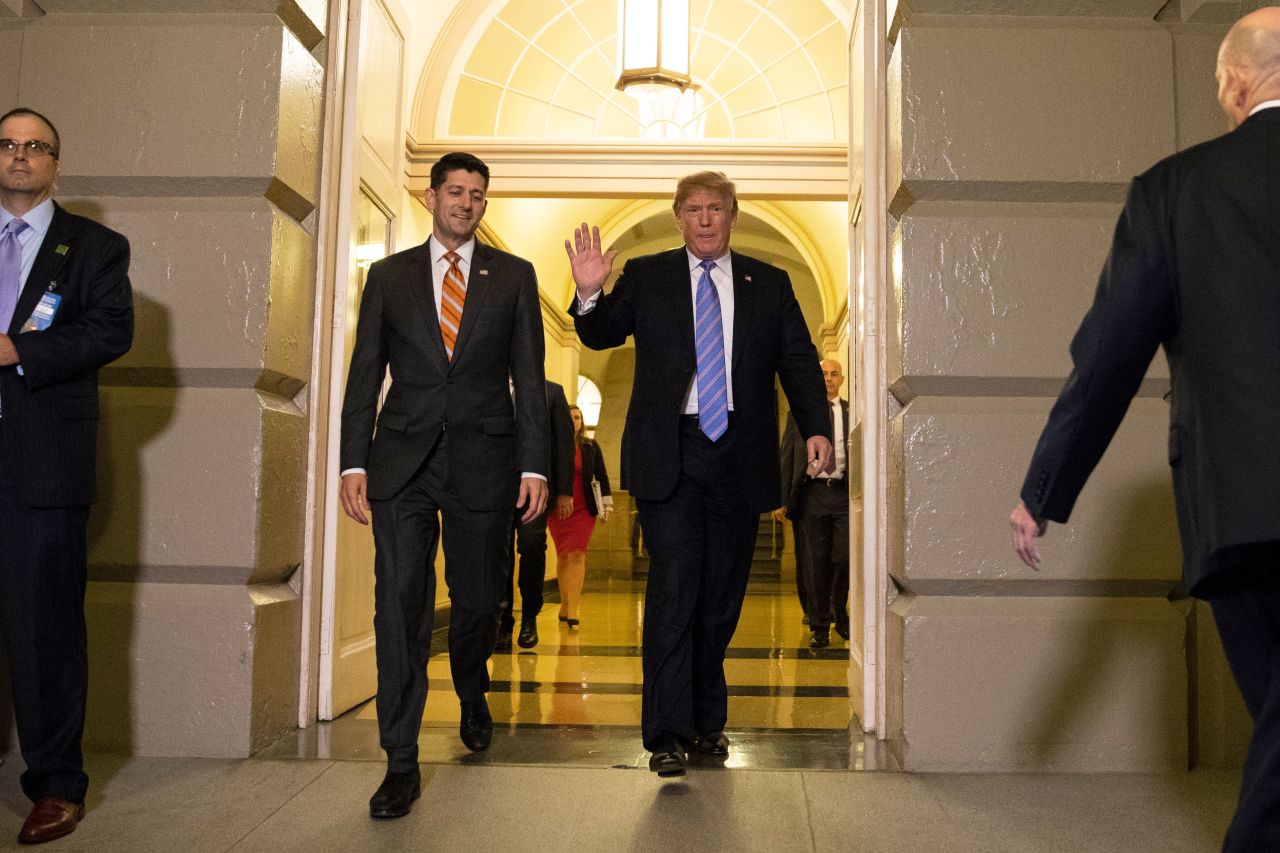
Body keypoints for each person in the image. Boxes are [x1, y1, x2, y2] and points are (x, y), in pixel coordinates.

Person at [1008, 8, 1280, 849]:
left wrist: (1043, 489)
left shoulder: (1176, 189)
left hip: (1242, 511)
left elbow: (1109, 359)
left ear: (1235, 86)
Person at [565, 171, 832, 777]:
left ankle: (707, 720)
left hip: (740, 450)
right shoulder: (649, 276)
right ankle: (666, 731)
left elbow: (797, 359)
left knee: (720, 597)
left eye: (715, 208)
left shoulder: (769, 282)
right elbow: (602, 332)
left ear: (733, 214)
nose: (705, 219)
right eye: (692, 209)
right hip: (672, 451)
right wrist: (589, 295)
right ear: (678, 217)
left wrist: (817, 426)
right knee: (675, 588)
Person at [339, 152, 548, 819]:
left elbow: (530, 375)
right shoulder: (389, 276)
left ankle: (472, 686)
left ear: (485, 205)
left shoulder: (513, 276)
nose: (465, 202)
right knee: (399, 605)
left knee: (479, 600)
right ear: (432, 197)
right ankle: (400, 760)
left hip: (484, 464)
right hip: (402, 463)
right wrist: (353, 462)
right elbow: (365, 373)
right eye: (455, 191)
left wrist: (535, 464)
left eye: (477, 195)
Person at [0, 107, 134, 845]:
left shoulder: (94, 247)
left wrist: (17, 350)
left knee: (44, 629)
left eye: (36, 147)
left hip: (42, 468)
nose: (20, 156)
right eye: (8, 144)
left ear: (56, 162)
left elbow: (110, 330)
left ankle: (56, 784)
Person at [496, 379, 574, 650]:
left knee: (531, 545)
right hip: (495, 488)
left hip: (535, 489)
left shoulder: (552, 392)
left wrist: (564, 491)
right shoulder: (487, 382)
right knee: (499, 552)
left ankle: (529, 616)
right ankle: (503, 621)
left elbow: (564, 443)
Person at [779, 359, 850, 648]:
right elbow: (787, 455)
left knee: (844, 557)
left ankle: (840, 614)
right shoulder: (800, 413)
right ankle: (820, 626)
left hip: (844, 493)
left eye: (834, 374)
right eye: (823, 374)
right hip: (812, 494)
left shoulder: (852, 412)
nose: (828, 379)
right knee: (815, 562)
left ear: (842, 380)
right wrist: (782, 499)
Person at [546, 404, 613, 626]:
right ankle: (565, 604)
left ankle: (573, 609)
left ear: (581, 422)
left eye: (577, 417)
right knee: (563, 555)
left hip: (584, 510)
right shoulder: (552, 446)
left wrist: (607, 505)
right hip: (558, 509)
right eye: (570, 417)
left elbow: (601, 475)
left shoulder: (590, 446)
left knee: (577, 554)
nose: (574, 420)